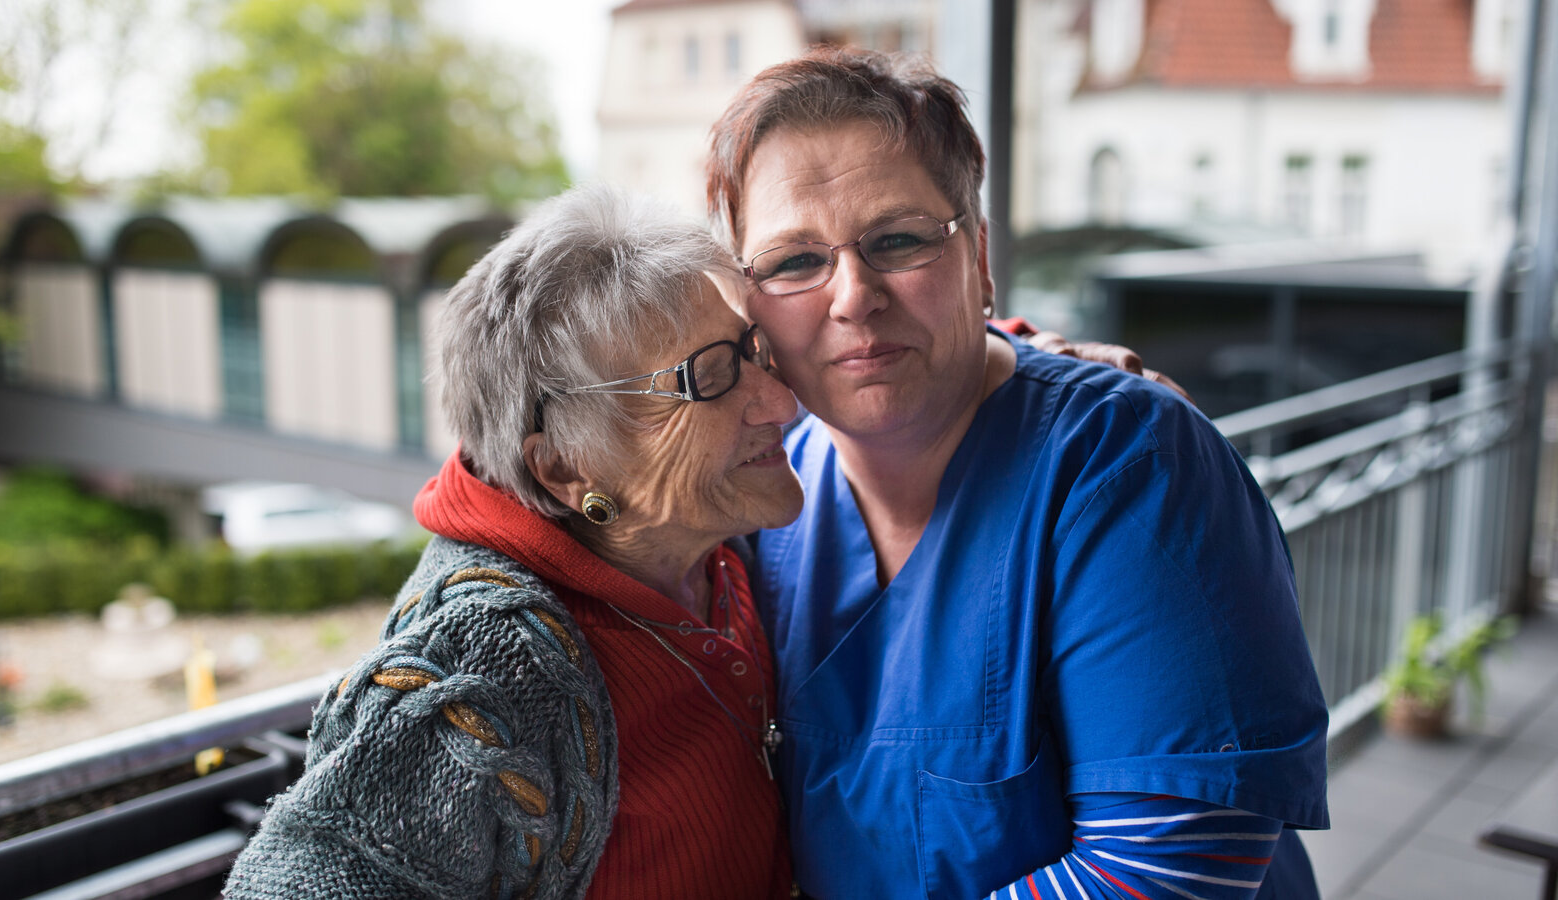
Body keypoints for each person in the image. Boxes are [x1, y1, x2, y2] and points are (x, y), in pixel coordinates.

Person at [707, 47, 1329, 898]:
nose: (851, 295)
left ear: (981, 257)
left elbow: (1168, 872)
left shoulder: (1132, 465)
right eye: (792, 262)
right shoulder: (763, 499)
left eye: (898, 240)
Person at [225, 184, 804, 899]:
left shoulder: (718, 550)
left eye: (754, 351)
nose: (783, 403)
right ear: (564, 466)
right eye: (710, 377)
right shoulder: (486, 659)